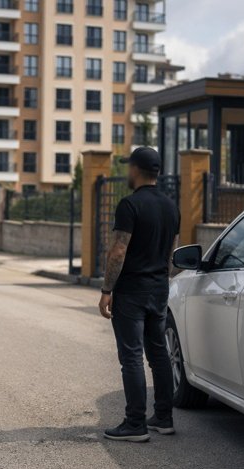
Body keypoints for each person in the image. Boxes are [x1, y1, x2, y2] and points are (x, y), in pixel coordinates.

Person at [98, 147, 180, 443]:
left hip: (132, 291)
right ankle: (163, 416)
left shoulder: (129, 205)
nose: (126, 173)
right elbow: (172, 249)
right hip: (159, 289)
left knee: (131, 355)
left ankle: (135, 423)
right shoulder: (172, 206)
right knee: (158, 353)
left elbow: (118, 249)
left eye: (128, 167)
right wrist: (162, 279)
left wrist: (107, 289)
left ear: (136, 169)